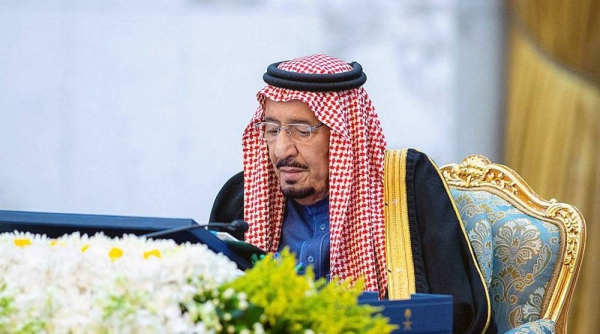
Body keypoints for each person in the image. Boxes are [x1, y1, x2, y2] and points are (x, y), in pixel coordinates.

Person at [209, 54, 495, 333]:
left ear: (344, 133)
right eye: (272, 130)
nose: (282, 150)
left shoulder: (406, 186)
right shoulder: (241, 200)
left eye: (301, 131)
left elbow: (457, 313)